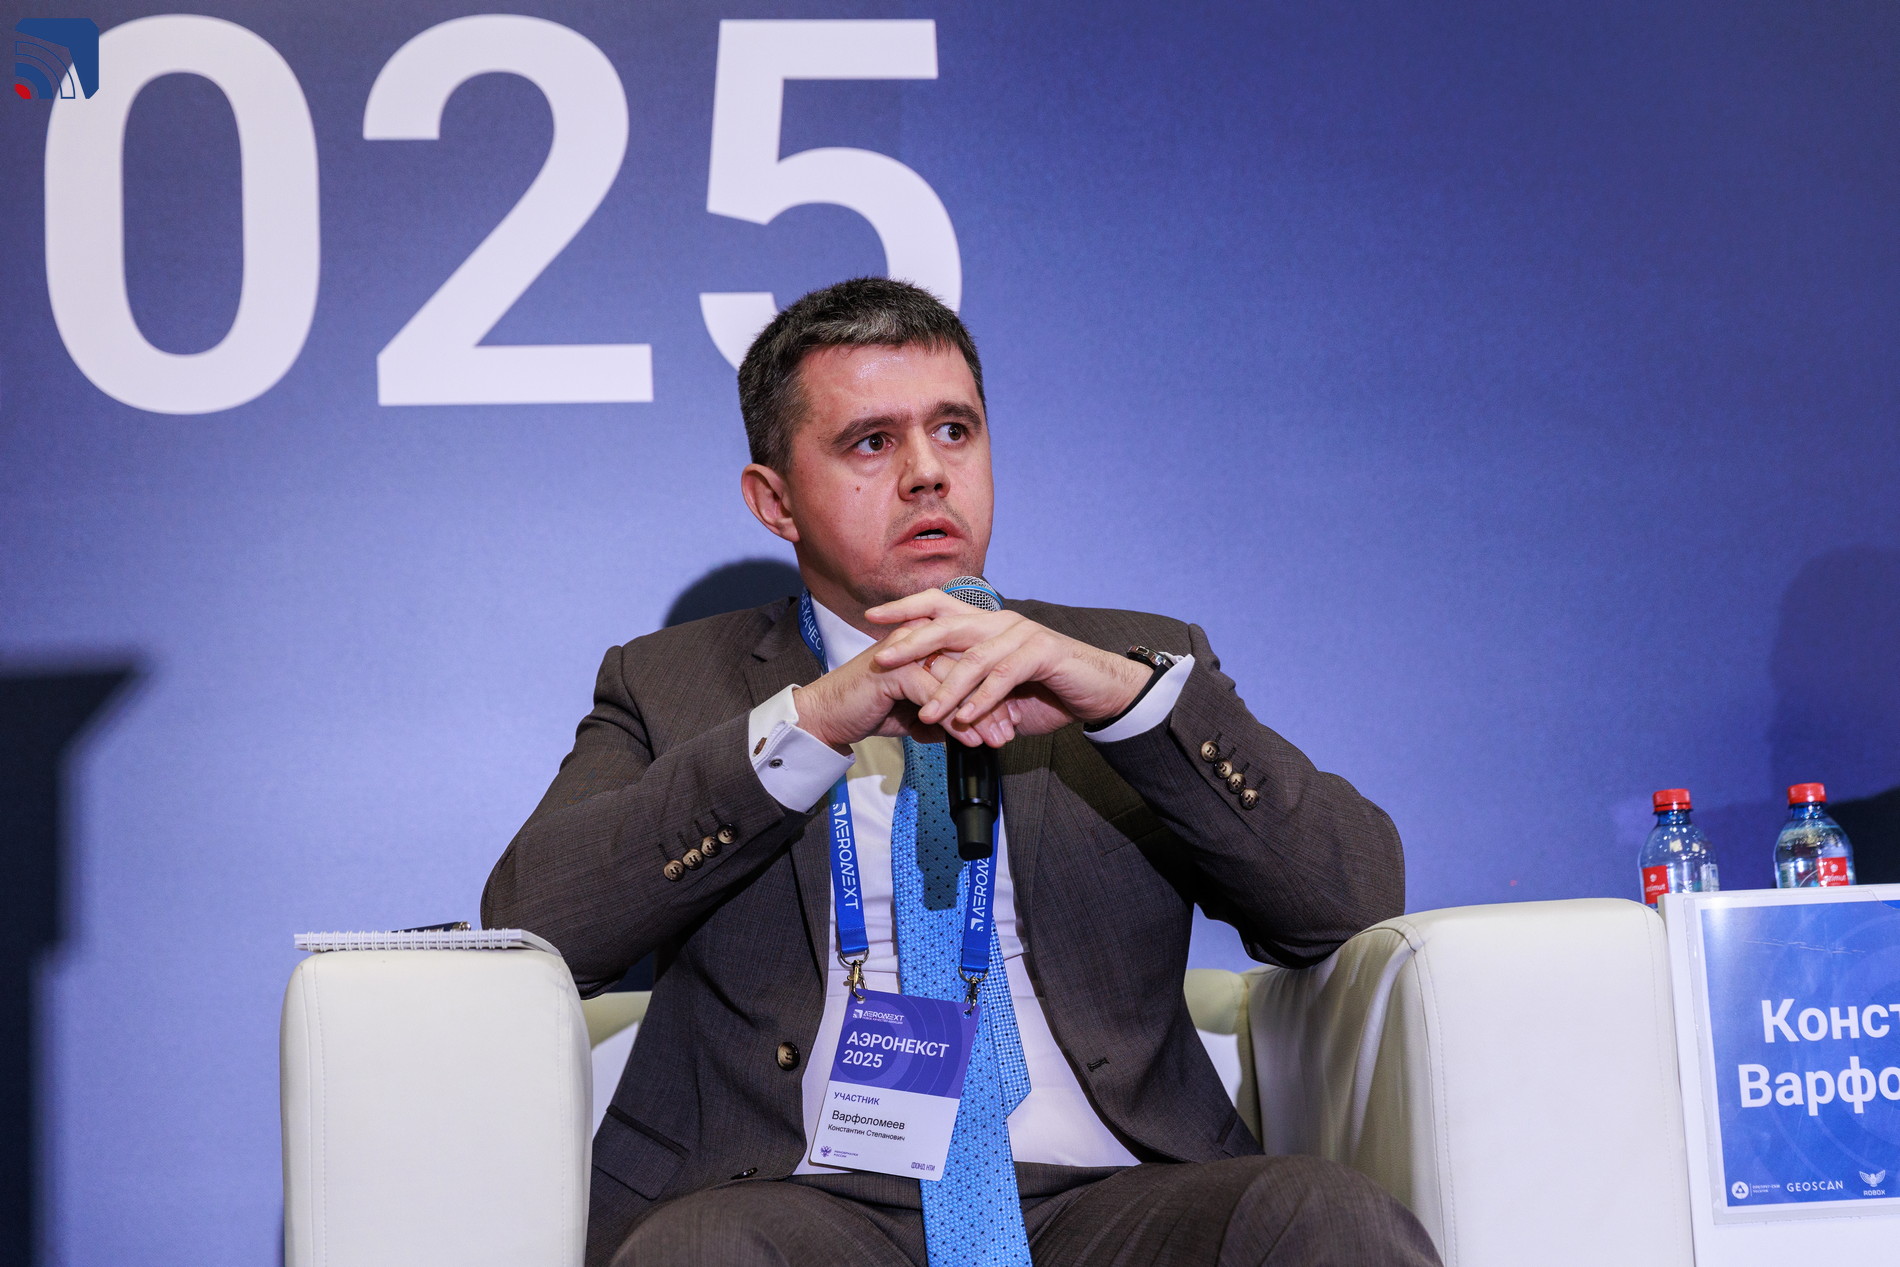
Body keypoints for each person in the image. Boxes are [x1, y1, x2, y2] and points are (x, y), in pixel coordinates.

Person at [483, 278, 1438, 1267]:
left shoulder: (1132, 659)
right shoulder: (671, 682)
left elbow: (1347, 901)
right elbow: (540, 923)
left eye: (954, 431)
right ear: (775, 501)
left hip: (1117, 1197)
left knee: (1323, 1217)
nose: (928, 474)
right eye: (871, 442)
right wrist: (812, 726)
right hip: (798, 1204)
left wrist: (1127, 706)